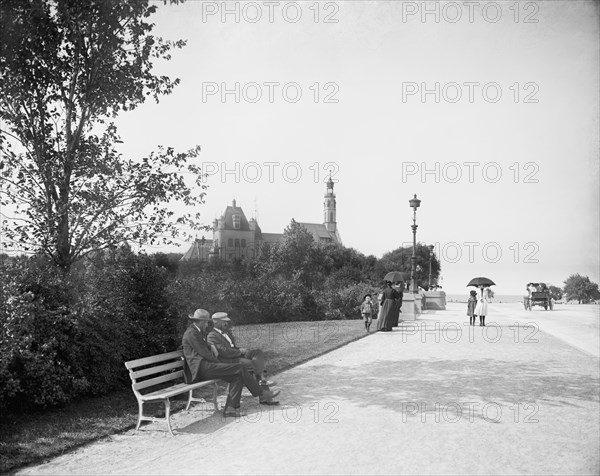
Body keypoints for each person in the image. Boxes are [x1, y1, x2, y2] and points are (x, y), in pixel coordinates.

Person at [182, 309, 279, 417]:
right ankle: (262, 393)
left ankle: (230, 409)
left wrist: (211, 346)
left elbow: (203, 348)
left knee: (237, 376)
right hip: (201, 369)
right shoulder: (192, 333)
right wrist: (219, 363)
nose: (207, 324)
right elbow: (205, 354)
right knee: (240, 368)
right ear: (200, 321)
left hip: (206, 366)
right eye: (206, 322)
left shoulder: (196, 331)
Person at [207, 312, 278, 405]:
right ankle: (264, 391)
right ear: (216, 322)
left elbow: (231, 347)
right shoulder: (212, 335)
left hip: (235, 355)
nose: (226, 323)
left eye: (227, 321)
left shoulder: (226, 333)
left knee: (257, 353)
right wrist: (240, 351)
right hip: (227, 361)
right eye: (224, 322)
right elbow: (224, 352)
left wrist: (240, 350)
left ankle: (262, 378)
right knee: (250, 363)